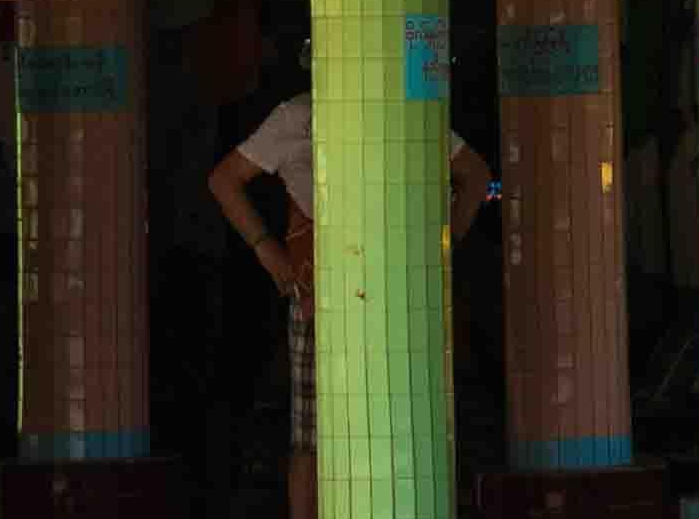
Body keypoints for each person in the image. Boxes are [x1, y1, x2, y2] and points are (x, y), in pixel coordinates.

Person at [210, 73, 499, 519]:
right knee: (317, 436)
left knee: (372, 429)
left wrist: (441, 254)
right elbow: (224, 180)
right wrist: (268, 252)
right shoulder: (298, 115)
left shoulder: (405, 109)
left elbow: (475, 175)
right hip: (324, 299)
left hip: (388, 297)